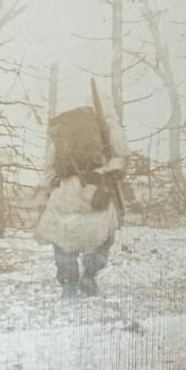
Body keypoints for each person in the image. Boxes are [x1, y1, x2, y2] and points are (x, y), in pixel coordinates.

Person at [34, 105, 128, 298]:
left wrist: (46, 191)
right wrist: (109, 174)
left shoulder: (63, 137)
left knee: (62, 239)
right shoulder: (108, 130)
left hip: (65, 193)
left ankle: (68, 284)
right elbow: (121, 157)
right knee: (102, 238)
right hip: (95, 193)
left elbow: (50, 168)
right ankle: (89, 276)